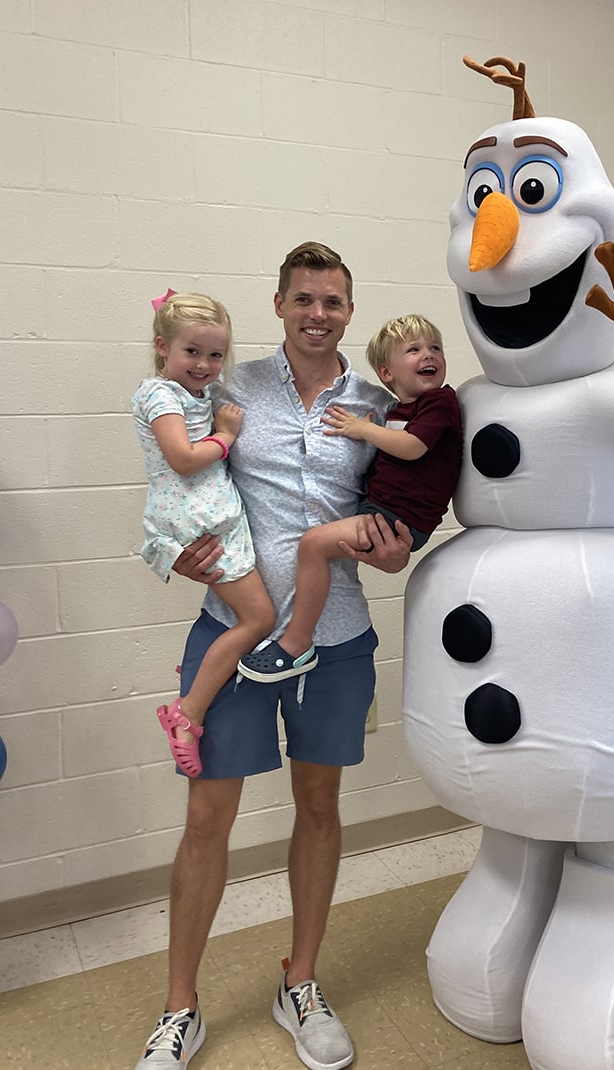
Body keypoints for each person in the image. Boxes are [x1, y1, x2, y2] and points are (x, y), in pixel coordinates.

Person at [134, 243, 413, 1070]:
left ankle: (300, 982)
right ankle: (181, 1008)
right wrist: (179, 546)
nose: (318, 314)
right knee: (206, 819)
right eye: (304, 299)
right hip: (233, 622)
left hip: (336, 640)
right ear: (281, 305)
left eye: (333, 301)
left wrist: (395, 552)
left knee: (320, 806)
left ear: (349, 312)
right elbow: (173, 469)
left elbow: (396, 516)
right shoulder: (227, 386)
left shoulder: (376, 404)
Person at [236, 314, 462, 684]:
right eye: (415, 349)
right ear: (386, 373)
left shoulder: (440, 402)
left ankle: (296, 643)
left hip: (397, 518)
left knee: (313, 544)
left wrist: (364, 429)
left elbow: (412, 447)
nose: (428, 355)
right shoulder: (397, 410)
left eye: (435, 347)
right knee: (316, 540)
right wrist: (373, 429)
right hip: (380, 510)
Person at [132, 292, 276, 776]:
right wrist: (226, 436)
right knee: (257, 618)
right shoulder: (158, 394)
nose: (205, 364)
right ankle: (187, 712)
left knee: (253, 617)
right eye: (192, 352)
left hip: (215, 513)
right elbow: (184, 458)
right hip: (198, 519)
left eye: (216, 354)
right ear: (161, 347)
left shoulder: (198, 395)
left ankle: (192, 703)